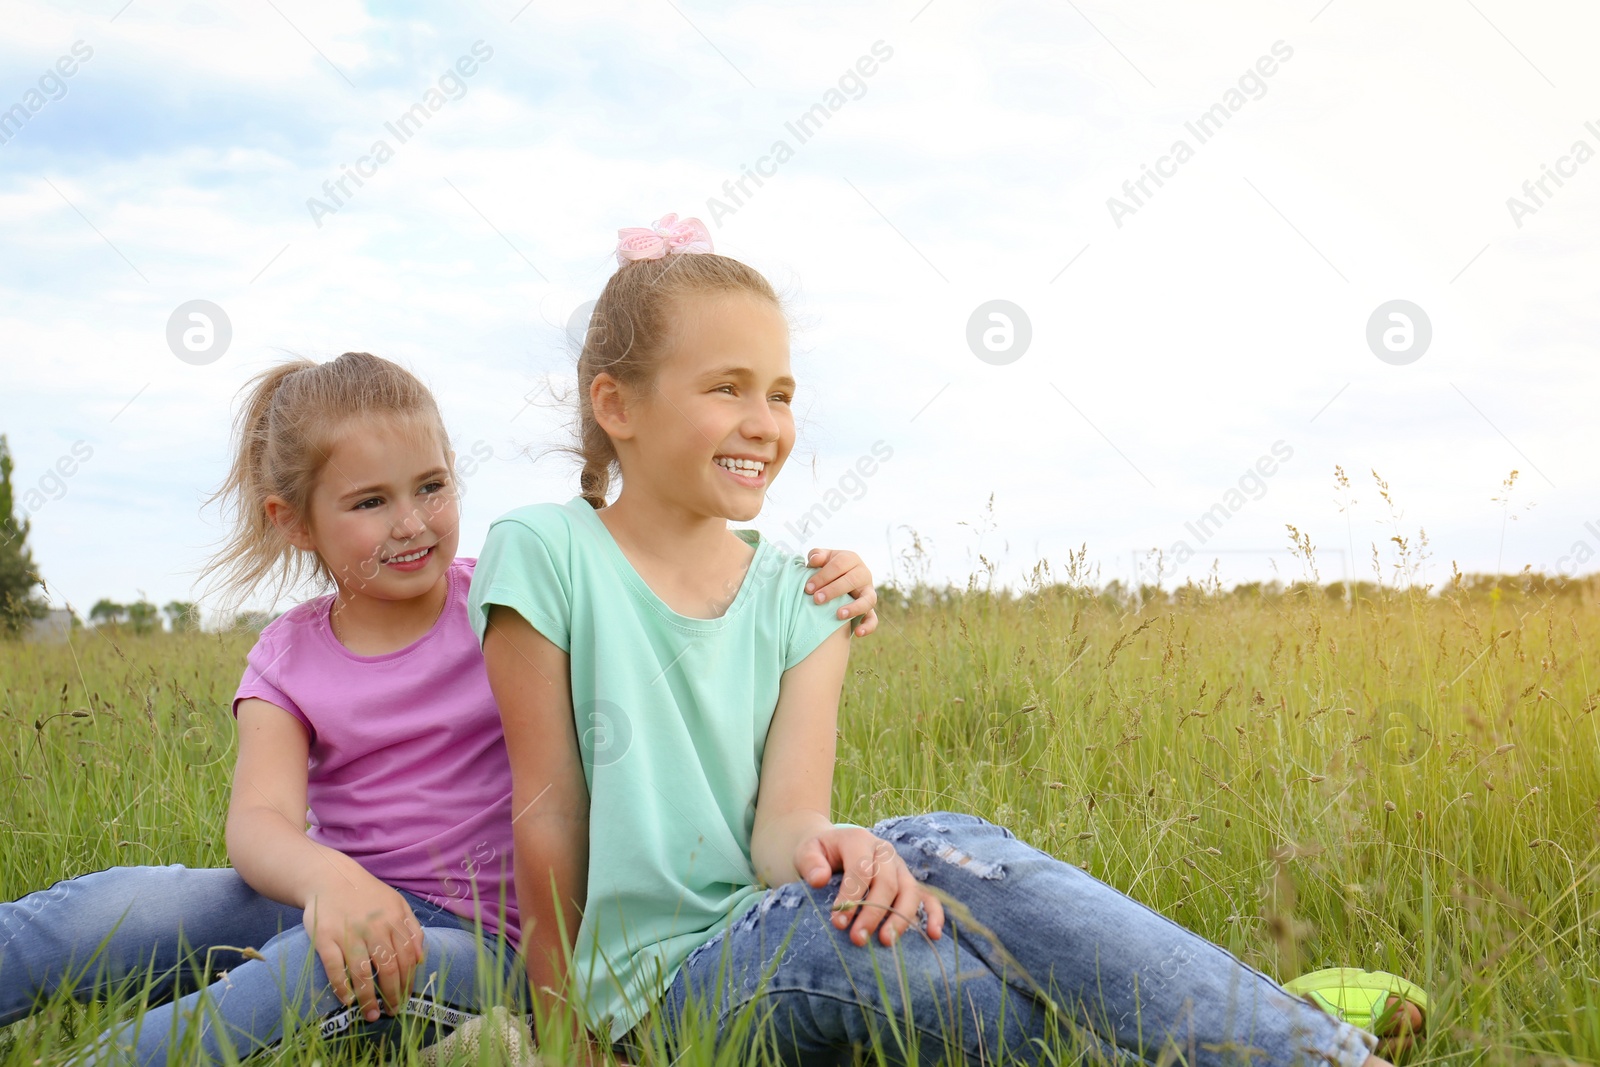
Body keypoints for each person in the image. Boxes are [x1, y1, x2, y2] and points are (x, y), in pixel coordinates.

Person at [471, 215, 1425, 1066]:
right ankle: (1305, 1042)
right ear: (618, 405)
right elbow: (549, 812)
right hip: (664, 996)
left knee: (934, 913)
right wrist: (565, 1039)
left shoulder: (807, 595)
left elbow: (784, 833)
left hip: (786, 925)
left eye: (782, 393)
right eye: (726, 388)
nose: (764, 424)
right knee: (917, 877)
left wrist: (841, 847)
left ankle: (1287, 1045)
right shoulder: (546, 553)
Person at [0, 351, 884, 1066]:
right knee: (120, 907)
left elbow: (681, 605)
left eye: (431, 486)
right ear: (294, 520)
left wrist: (824, 582)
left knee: (305, 974)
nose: (413, 522)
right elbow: (260, 822)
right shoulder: (287, 655)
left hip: (495, 942)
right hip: (346, 899)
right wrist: (332, 880)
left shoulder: (513, 598)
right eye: (370, 501)